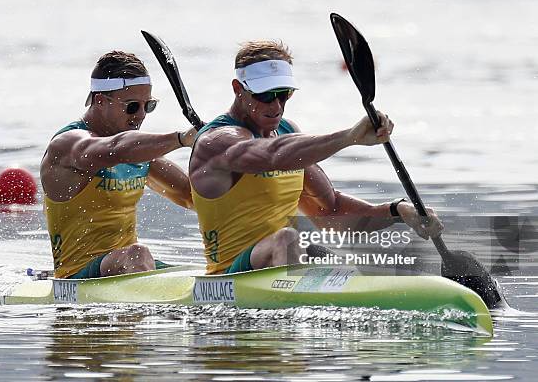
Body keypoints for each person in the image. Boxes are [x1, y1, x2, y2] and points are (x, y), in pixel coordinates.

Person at [189, 40, 444, 275]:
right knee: (287, 238)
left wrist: (398, 211)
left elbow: (331, 211)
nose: (276, 106)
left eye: (283, 93)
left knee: (337, 263)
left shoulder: (287, 131)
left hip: (285, 260)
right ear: (238, 89)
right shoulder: (216, 141)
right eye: (265, 95)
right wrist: (348, 137)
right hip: (227, 277)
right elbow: (272, 155)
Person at [41, 51, 195, 279]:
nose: (141, 115)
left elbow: (196, 197)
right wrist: (181, 139)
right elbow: (115, 149)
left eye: (148, 106)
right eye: (132, 106)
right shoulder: (68, 145)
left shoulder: (141, 153)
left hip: (127, 267)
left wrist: (220, 150)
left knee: (192, 273)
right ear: (100, 101)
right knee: (138, 254)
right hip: (77, 275)